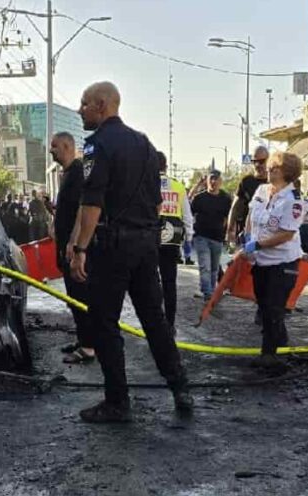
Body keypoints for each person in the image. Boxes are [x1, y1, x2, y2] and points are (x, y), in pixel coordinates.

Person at [67, 81, 192, 423]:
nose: (81, 110)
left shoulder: (97, 146)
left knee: (104, 323)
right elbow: (154, 200)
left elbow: (92, 202)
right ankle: (180, 387)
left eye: (85, 104)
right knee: (154, 319)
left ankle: (117, 402)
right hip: (145, 245)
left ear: (102, 105)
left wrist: (80, 249)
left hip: (113, 248)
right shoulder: (145, 144)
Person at [243, 152, 308, 367]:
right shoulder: (262, 190)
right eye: (270, 167)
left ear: (287, 174)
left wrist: (258, 244)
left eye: (275, 168)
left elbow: (286, 234)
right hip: (260, 261)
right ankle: (279, 346)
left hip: (282, 264)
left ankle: (269, 356)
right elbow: (250, 215)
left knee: (274, 309)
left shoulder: (293, 201)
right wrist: (247, 237)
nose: (269, 170)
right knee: (264, 307)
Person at [50, 131, 95, 364]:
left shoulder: (78, 172)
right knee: (74, 297)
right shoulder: (68, 173)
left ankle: (88, 347)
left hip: (72, 247)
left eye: (55, 146)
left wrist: (75, 243)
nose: (51, 150)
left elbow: (82, 209)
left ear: (67, 146)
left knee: (80, 296)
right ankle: (83, 339)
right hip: (65, 245)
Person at [157, 151, 194, 334]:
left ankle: (155, 321)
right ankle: (170, 324)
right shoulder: (178, 186)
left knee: (150, 281)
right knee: (169, 281)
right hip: (173, 239)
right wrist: (189, 238)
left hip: (151, 237)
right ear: (165, 166)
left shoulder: (147, 183)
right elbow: (187, 215)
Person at [189, 169, 232, 300]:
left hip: (217, 237)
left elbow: (228, 218)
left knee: (214, 267)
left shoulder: (225, 199)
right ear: (207, 181)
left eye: (216, 179)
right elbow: (188, 205)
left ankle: (210, 290)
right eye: (211, 179)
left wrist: (229, 233)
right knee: (205, 266)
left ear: (220, 181)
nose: (213, 182)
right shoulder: (199, 198)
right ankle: (208, 293)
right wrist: (196, 186)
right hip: (201, 236)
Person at [226, 145, 270, 246]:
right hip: (248, 233)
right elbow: (235, 207)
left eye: (261, 161)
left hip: (268, 234)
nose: (258, 165)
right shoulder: (246, 182)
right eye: (254, 161)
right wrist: (230, 230)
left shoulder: (275, 180)